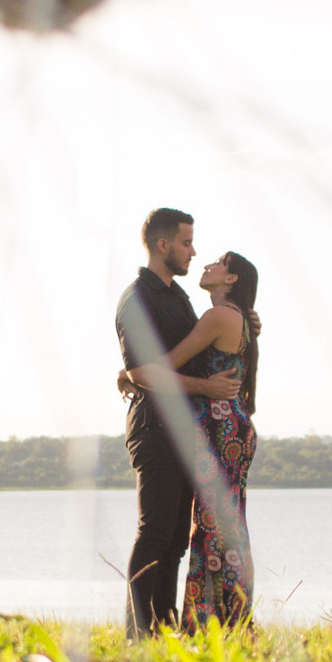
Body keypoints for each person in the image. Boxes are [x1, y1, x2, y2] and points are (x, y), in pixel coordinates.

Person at [114, 208, 239, 636]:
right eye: (186, 243)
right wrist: (204, 388)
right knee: (154, 533)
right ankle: (136, 633)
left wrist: (247, 320)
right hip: (154, 428)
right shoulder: (137, 299)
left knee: (173, 543)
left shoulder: (179, 297)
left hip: (186, 430)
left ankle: (162, 629)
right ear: (163, 245)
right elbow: (146, 372)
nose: (193, 251)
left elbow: (197, 347)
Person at [170, 252, 258, 629]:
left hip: (221, 431)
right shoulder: (239, 318)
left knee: (210, 526)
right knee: (226, 525)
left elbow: (168, 363)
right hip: (231, 428)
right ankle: (231, 618)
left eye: (218, 263)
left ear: (231, 278)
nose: (207, 265)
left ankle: (205, 622)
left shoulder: (219, 316)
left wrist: (130, 372)